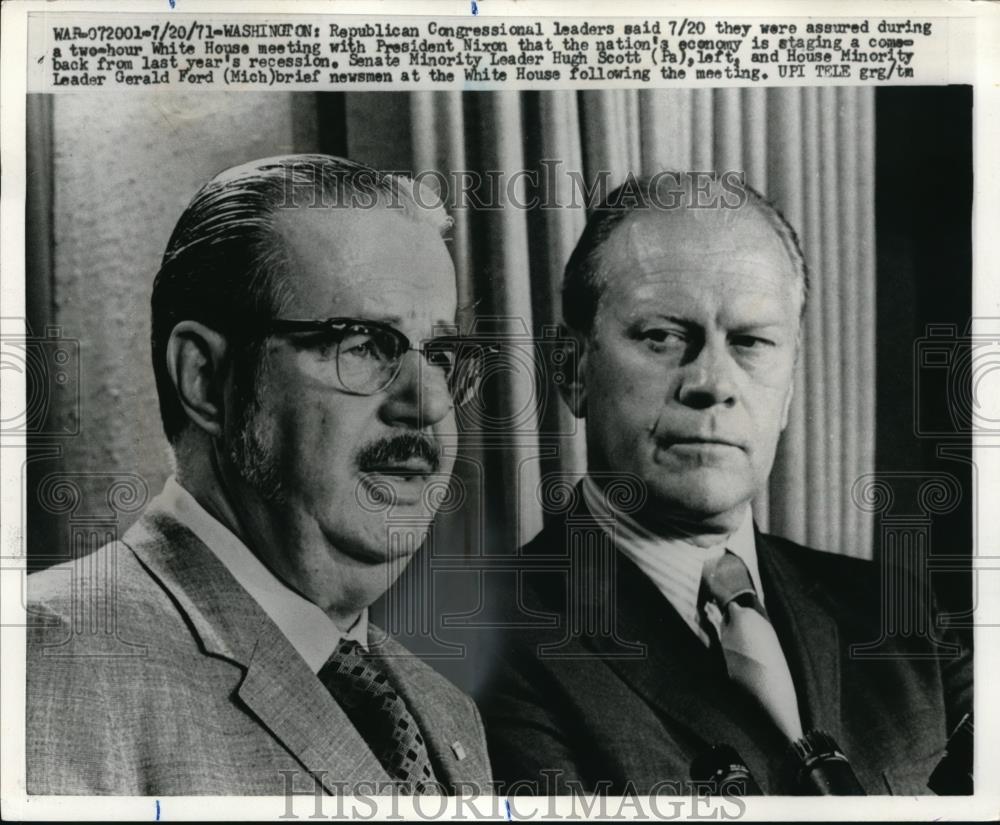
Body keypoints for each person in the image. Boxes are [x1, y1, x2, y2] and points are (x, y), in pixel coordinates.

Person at [477, 174, 972, 795]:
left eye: (750, 342)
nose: (712, 381)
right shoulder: (486, 643)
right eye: (663, 336)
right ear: (572, 369)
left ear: (788, 389)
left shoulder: (900, 617)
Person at [27, 155, 492, 795]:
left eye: (439, 356)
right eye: (361, 343)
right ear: (207, 380)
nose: (429, 403)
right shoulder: (51, 658)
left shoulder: (443, 711)